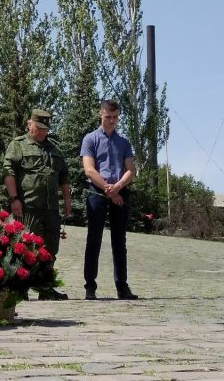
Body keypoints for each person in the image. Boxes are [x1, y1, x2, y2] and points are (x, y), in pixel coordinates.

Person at [3, 109, 71, 301]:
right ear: (29, 124)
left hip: (50, 207)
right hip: (28, 205)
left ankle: (45, 287)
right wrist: (14, 199)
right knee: (25, 246)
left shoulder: (54, 149)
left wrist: (67, 201)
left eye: (45, 129)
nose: (42, 132)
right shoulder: (18, 145)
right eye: (38, 128)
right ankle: (21, 287)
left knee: (51, 248)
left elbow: (64, 177)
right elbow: (8, 171)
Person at [81, 99, 138, 300]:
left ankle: (122, 286)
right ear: (101, 114)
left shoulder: (124, 142)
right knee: (94, 238)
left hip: (119, 190)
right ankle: (90, 286)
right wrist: (108, 189)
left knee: (119, 241)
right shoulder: (90, 139)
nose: (111, 121)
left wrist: (118, 188)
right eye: (108, 117)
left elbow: (131, 169)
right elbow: (89, 169)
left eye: (115, 118)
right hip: (98, 192)